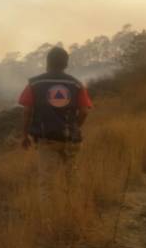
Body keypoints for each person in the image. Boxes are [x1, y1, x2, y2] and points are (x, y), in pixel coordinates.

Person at [18, 47, 93, 211]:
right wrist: (75, 127)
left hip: (47, 140)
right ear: (66, 64)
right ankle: (75, 213)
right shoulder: (76, 84)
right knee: (72, 178)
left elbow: (27, 111)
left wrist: (25, 136)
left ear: (47, 63)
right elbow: (85, 111)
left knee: (47, 183)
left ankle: (49, 222)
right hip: (71, 140)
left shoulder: (34, 83)